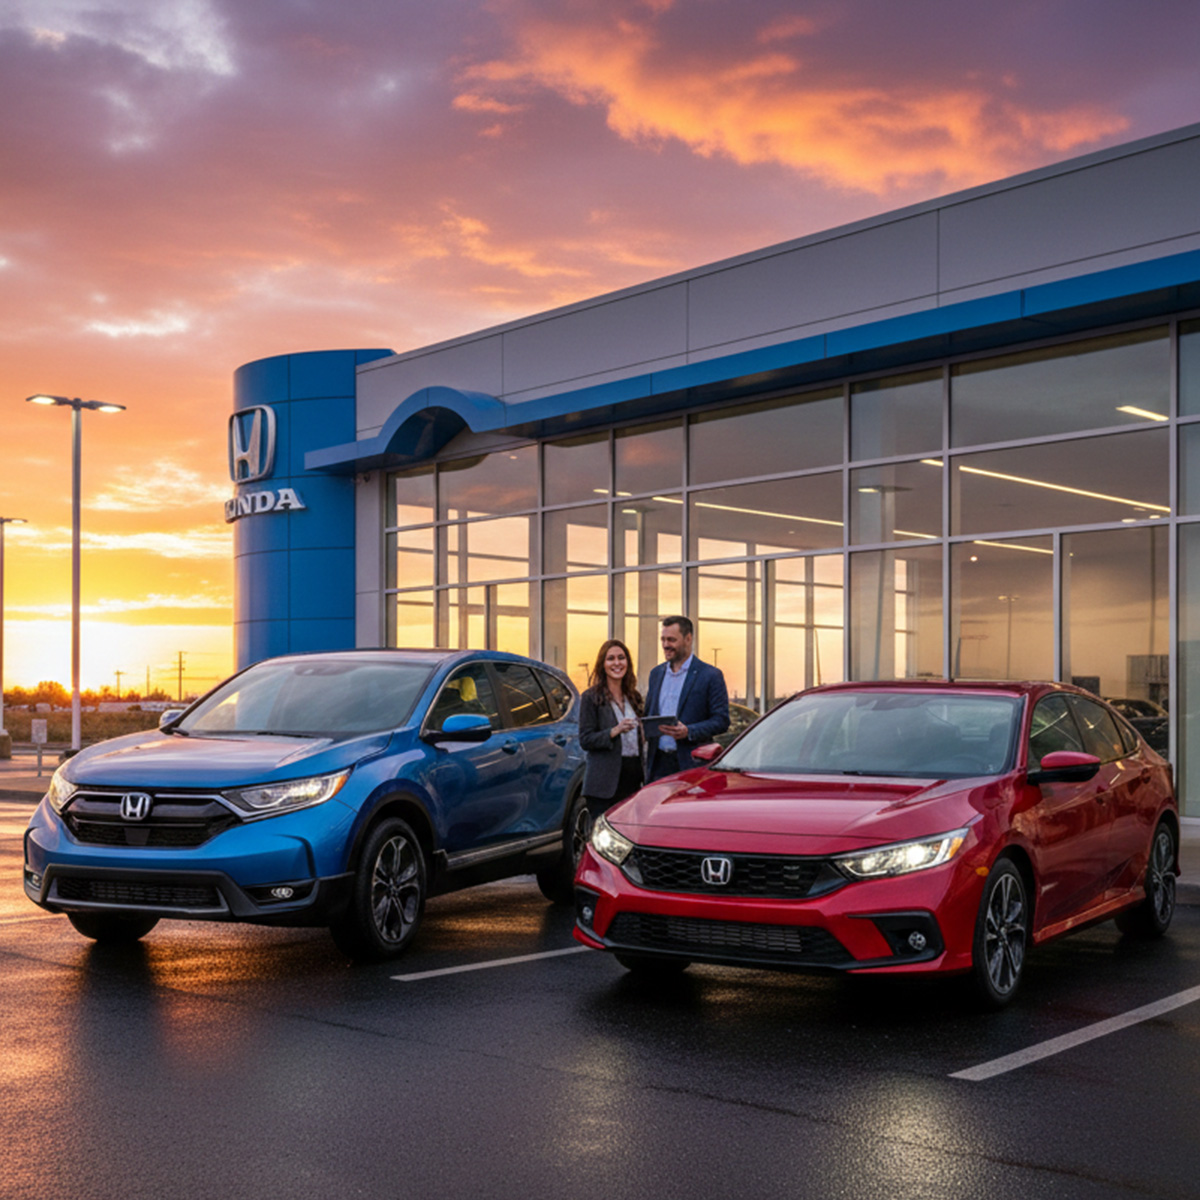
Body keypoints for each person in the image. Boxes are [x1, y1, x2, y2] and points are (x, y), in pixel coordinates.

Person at [643, 615, 730, 782]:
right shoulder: (656, 674)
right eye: (663, 639)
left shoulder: (710, 676)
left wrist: (689, 731)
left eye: (671, 640)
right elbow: (649, 714)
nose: (666, 645)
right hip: (658, 766)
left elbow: (721, 721)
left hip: (692, 766)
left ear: (688, 639)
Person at [578, 639, 645, 823]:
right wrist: (614, 731)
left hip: (633, 780)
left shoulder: (634, 697)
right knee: (603, 841)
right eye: (611, 659)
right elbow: (585, 739)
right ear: (603, 664)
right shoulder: (590, 698)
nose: (617, 663)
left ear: (628, 663)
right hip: (604, 784)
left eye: (621, 658)